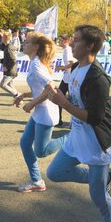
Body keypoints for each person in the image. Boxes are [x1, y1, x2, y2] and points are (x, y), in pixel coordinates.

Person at [47, 25, 111, 222]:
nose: (71, 43)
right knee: (55, 172)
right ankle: (102, 179)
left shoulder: (97, 78)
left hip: (96, 141)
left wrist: (65, 104)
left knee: (98, 195)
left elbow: (95, 118)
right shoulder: (74, 69)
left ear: (90, 45)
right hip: (77, 137)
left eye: (77, 40)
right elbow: (62, 93)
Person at [13, 32, 65, 193]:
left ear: (36, 47)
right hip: (39, 112)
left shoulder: (36, 64)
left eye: (27, 42)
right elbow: (40, 89)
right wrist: (24, 95)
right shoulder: (36, 62)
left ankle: (71, 137)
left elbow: (51, 88)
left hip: (46, 113)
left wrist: (31, 104)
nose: (24, 44)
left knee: (41, 152)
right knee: (25, 143)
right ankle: (37, 181)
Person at [55, 35, 75, 127]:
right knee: (59, 98)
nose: (59, 41)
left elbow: (71, 64)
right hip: (67, 78)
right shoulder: (67, 50)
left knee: (65, 99)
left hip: (69, 79)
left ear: (65, 41)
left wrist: (61, 67)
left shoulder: (67, 50)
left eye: (60, 40)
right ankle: (59, 120)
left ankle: (66, 121)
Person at [0, 31, 19, 97]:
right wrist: (0, 60)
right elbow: (8, 60)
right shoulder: (7, 47)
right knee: (10, 85)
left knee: (3, 85)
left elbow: (13, 60)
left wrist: (8, 68)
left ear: (5, 38)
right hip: (10, 71)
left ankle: (17, 95)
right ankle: (18, 98)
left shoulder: (8, 48)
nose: (1, 38)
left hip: (10, 71)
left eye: (2, 37)